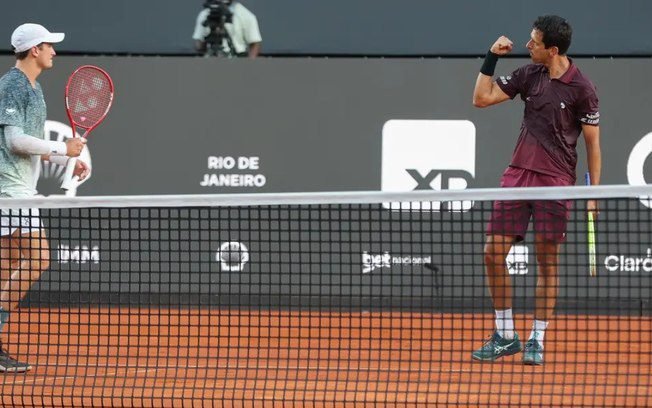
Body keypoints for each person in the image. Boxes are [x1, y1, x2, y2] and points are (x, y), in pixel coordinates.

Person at [471, 15, 601, 365]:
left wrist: (593, 193)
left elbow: (593, 145)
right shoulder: (529, 75)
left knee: (547, 262)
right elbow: (481, 99)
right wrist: (491, 56)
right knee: (492, 253)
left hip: (555, 182)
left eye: (534, 42)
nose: (528, 45)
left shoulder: (582, 88)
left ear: (552, 49)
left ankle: (536, 339)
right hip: (517, 176)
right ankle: (505, 335)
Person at [0, 23, 89, 373]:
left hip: (16, 188)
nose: (54, 50)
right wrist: (63, 147)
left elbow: (33, 147)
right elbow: (14, 142)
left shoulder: (34, 89)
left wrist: (67, 159)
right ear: (35, 49)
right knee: (38, 259)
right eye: (49, 45)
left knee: (7, 266)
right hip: (11, 190)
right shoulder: (12, 86)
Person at [192, 0, 262, 58]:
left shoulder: (245, 15)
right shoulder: (204, 14)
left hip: (235, 60)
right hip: (210, 60)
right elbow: (199, 45)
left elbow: (255, 43)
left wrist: (248, 65)